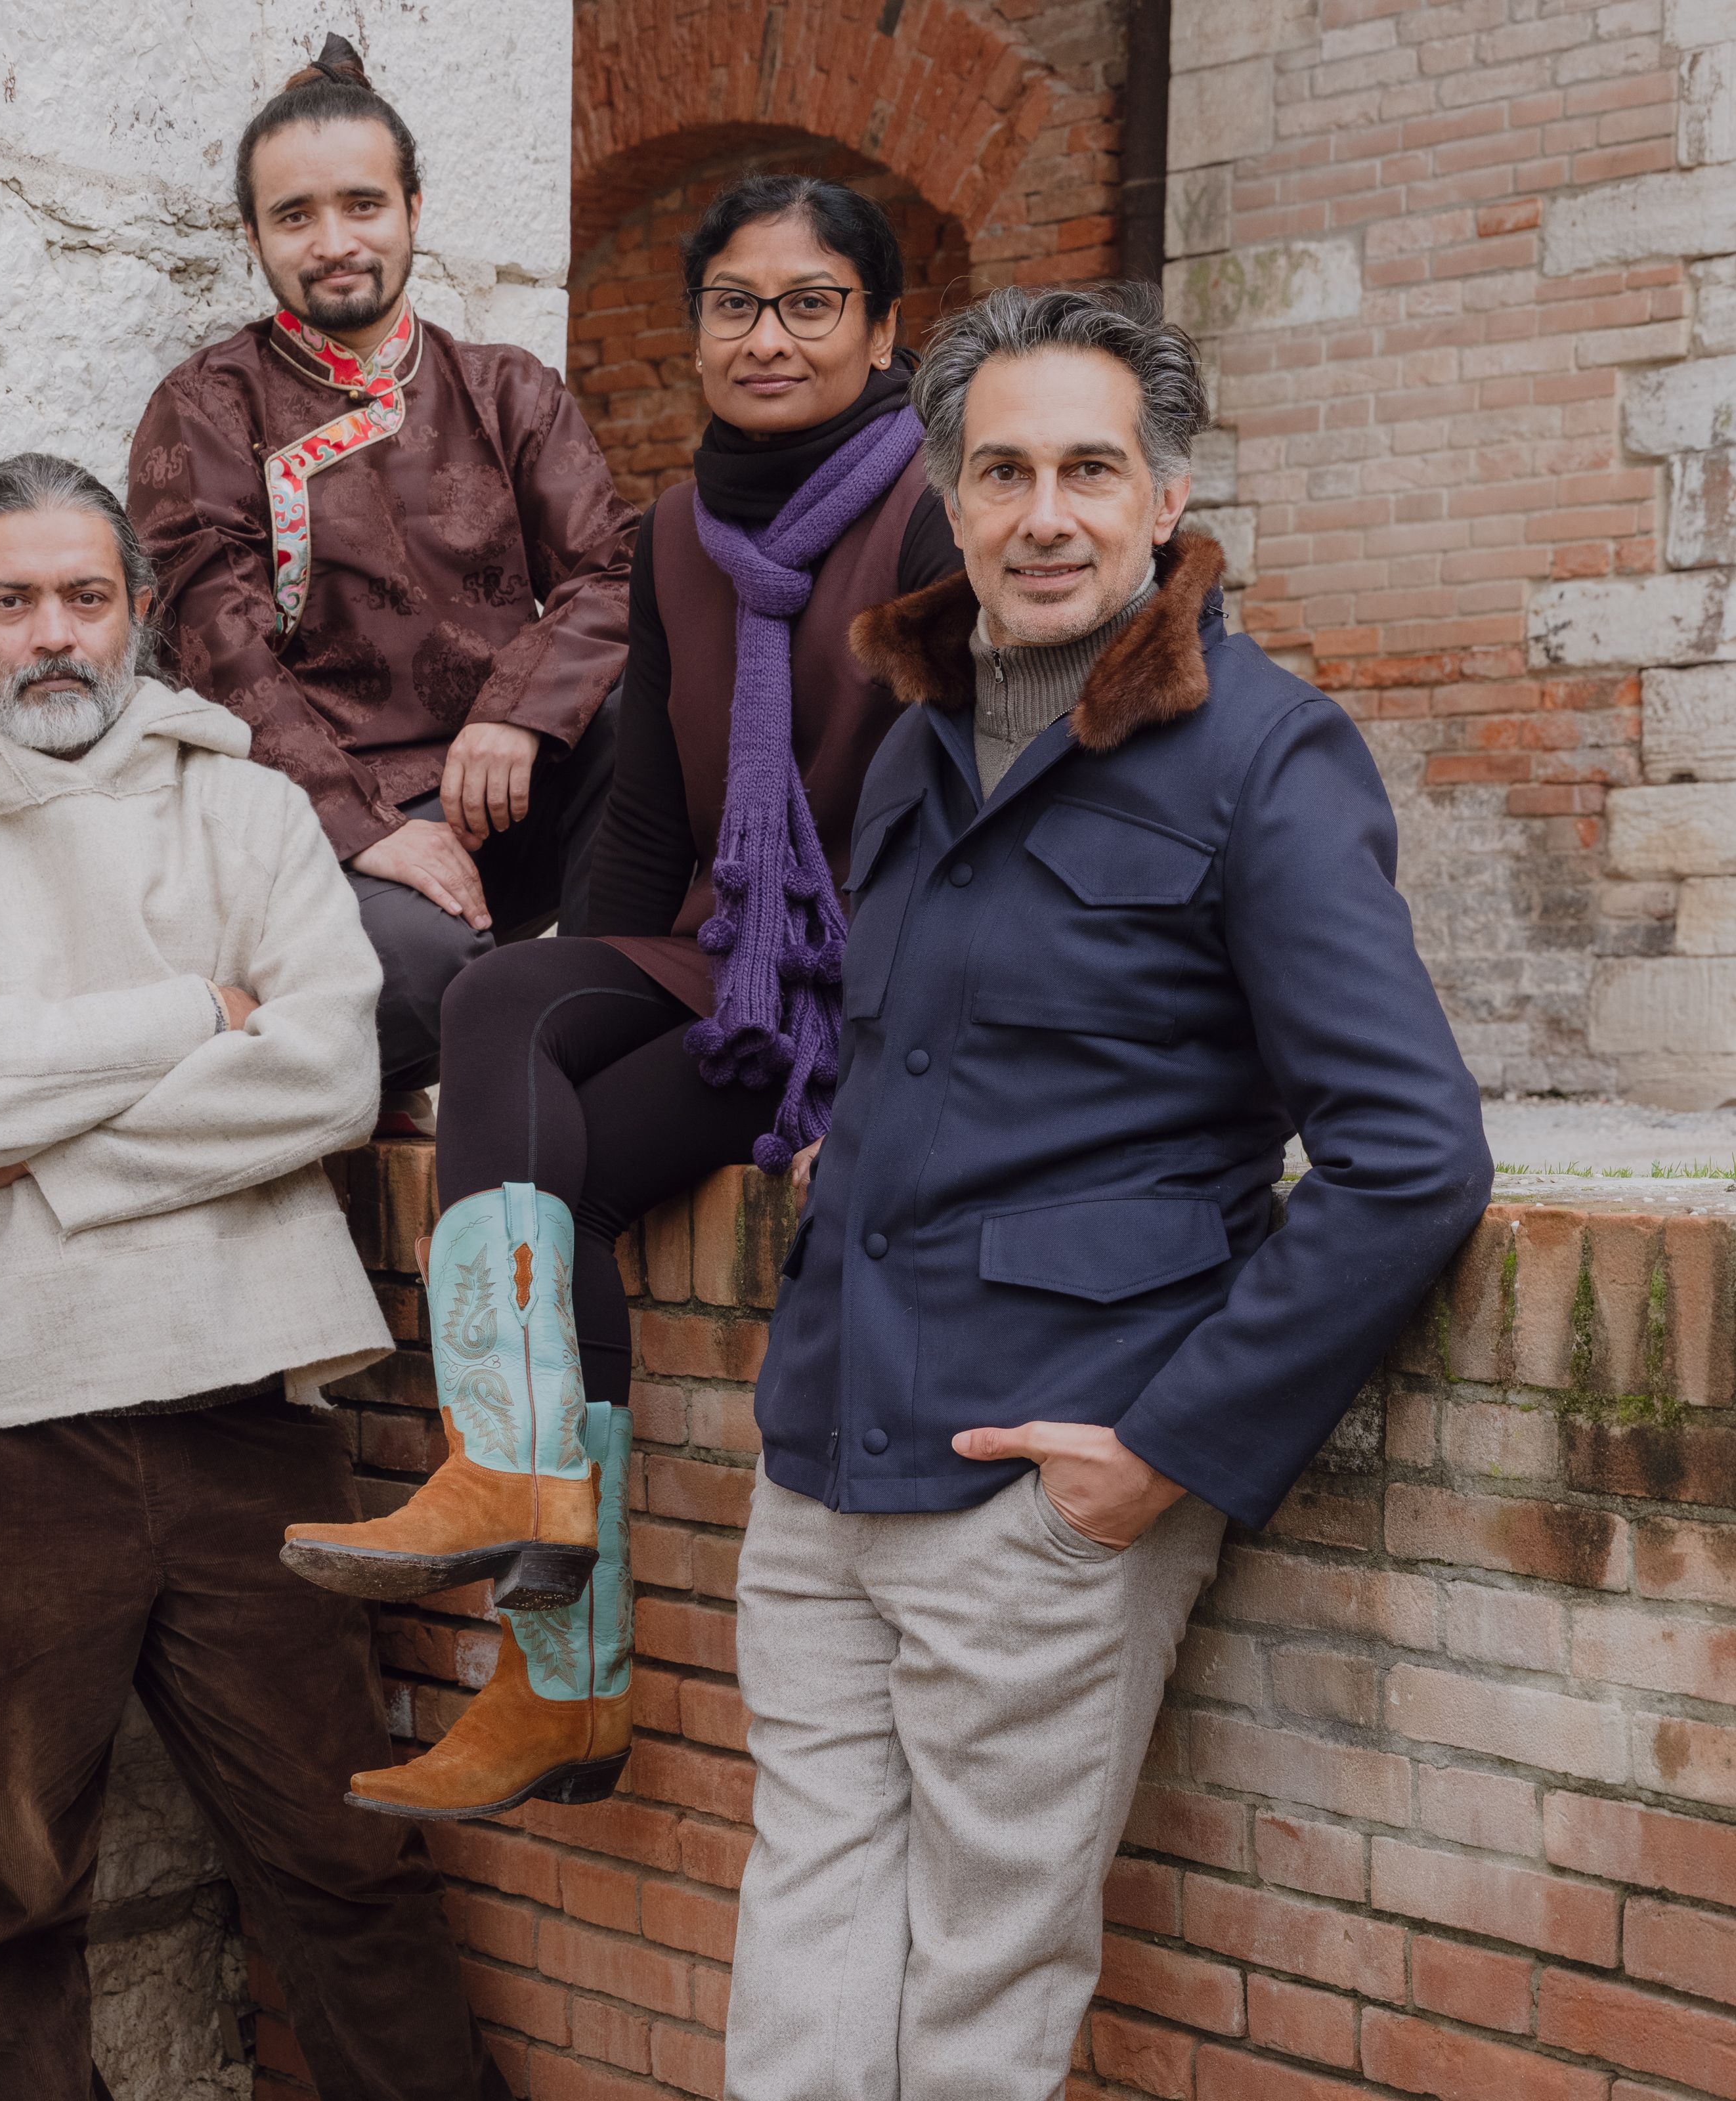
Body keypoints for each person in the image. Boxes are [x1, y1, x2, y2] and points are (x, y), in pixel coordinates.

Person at [722, 284, 1496, 2100]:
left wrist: (1164, 1451)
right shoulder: (914, 738)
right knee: (801, 1946)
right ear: (949, 500)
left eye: (1090, 470)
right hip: (820, 1454)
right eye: (1002, 473)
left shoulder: (1263, 754)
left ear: (1167, 498)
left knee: (979, 2010)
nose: (1043, 515)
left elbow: (1410, 1154)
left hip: (1040, 1485)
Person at [0, 453, 510, 2101]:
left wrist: (44, 1153)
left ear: (137, 612)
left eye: (83, 597)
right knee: (10, 1897)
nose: (51, 635)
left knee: (345, 1854)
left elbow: (323, 1075)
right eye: (10, 603)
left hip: (241, 1404)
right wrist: (199, 1012)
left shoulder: (252, 813)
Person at [277, 175, 964, 1820]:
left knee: (533, 1104)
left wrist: (888, 1072)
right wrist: (580, 988)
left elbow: (964, 823)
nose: (766, 336)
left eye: (810, 304)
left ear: (883, 331)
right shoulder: (674, 533)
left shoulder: (934, 514)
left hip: (858, 985)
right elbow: (648, 814)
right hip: (724, 960)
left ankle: (563, 1668)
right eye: (732, 304)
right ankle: (537, 1568)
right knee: (511, 1013)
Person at [129, 35, 636, 1125]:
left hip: (495, 791)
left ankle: (598, 1034)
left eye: (362, 204)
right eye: (295, 216)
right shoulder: (207, 406)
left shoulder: (507, 390)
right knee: (425, 975)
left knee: (643, 711)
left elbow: (611, 572)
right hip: (315, 827)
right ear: (254, 236)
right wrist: (372, 829)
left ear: (412, 208)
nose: (335, 243)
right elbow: (215, 652)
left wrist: (517, 714)